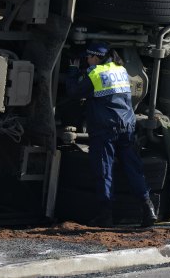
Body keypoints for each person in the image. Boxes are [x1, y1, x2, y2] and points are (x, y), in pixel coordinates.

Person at [65, 42, 157, 228]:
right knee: (134, 169)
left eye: (88, 58)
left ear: (95, 57)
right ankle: (148, 210)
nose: (87, 61)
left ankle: (105, 216)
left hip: (104, 129)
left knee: (104, 171)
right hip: (127, 126)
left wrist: (73, 70)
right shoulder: (120, 69)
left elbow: (74, 92)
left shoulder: (95, 73)